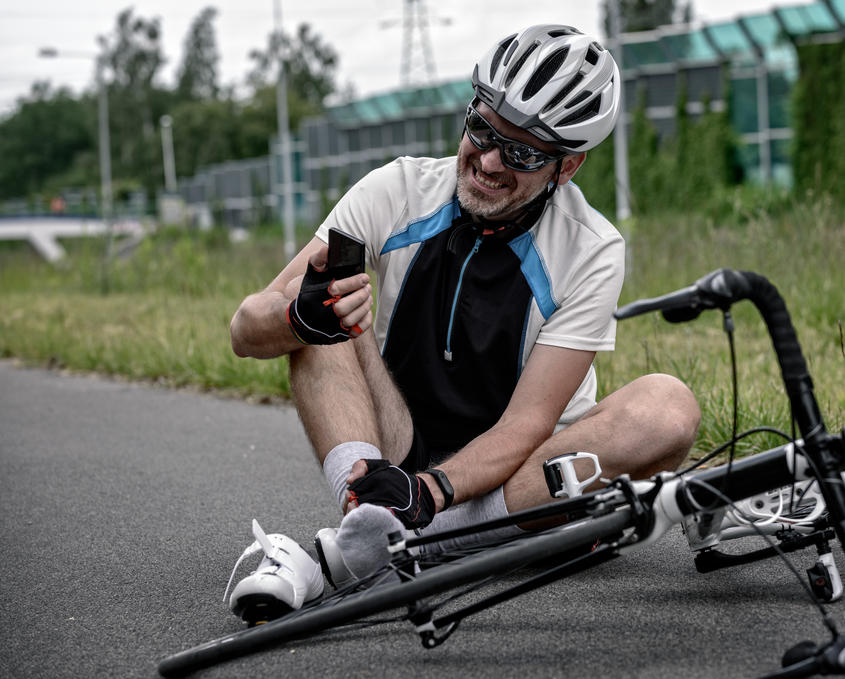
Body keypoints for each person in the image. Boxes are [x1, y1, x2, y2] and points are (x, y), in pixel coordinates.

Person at [224, 24, 701, 624]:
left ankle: (373, 546)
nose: (489, 161)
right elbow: (246, 330)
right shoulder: (397, 189)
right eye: (482, 129)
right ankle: (373, 514)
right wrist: (298, 318)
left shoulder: (592, 249)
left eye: (523, 153)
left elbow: (528, 423)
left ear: (568, 167)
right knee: (313, 300)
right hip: (398, 453)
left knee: (668, 408)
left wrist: (430, 495)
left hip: (521, 475)